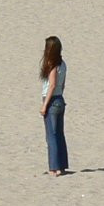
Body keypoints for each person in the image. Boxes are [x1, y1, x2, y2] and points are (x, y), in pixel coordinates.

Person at [39, 34, 68, 176]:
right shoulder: (63, 64)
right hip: (60, 99)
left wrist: (44, 105)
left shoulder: (52, 65)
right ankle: (61, 166)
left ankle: (53, 168)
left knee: (51, 135)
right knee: (59, 134)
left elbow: (52, 85)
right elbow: (62, 85)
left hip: (52, 100)